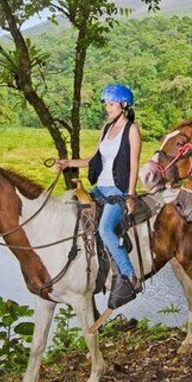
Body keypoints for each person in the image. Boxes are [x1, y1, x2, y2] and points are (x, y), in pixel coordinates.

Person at [56, 83, 143, 298]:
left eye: (111, 104)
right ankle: (83, 268)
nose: (107, 107)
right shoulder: (106, 129)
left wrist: (130, 195)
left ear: (123, 105)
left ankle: (130, 275)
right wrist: (69, 163)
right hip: (99, 189)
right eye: (106, 104)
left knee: (105, 230)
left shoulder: (132, 130)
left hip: (118, 191)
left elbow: (134, 165)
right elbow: (94, 159)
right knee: (72, 211)